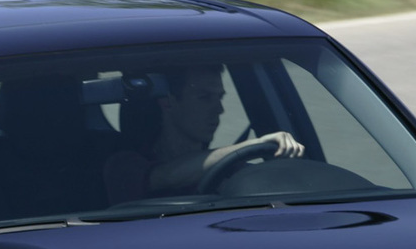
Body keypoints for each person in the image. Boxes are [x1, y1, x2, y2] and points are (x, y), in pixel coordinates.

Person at [102, 64, 305, 202]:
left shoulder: (232, 169)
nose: (219, 109)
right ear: (168, 102)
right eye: (204, 97)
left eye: (219, 98)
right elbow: (166, 176)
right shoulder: (124, 165)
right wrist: (254, 145)